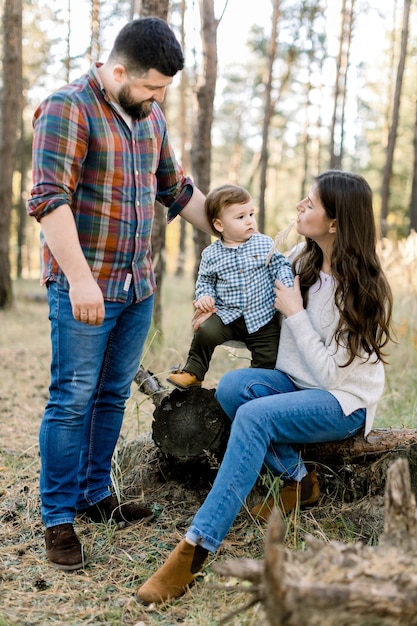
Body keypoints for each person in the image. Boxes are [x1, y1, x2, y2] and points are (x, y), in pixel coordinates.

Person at [136, 169, 394, 604]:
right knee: (235, 387)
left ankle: (196, 547)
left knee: (255, 415)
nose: (299, 207)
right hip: (294, 383)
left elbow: (332, 376)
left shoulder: (362, 290)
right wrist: (216, 327)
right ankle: (297, 480)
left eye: (310, 204)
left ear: (335, 223)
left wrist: (295, 311)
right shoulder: (298, 259)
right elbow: (264, 329)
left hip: (342, 402)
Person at [27, 17, 210, 571]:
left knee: (110, 396)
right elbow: (47, 197)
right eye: (152, 86)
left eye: (164, 91)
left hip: (137, 288)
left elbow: (175, 189)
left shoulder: (148, 114)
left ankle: (92, 494)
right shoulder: (67, 107)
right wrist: (81, 279)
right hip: (85, 286)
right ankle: (58, 518)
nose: (158, 98)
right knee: (72, 399)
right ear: (119, 69)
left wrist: (236, 232)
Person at [167, 184, 294, 390]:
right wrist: (205, 297)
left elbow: (280, 265)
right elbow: (206, 281)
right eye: (240, 217)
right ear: (219, 225)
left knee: (269, 356)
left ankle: (256, 386)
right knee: (206, 331)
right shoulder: (211, 254)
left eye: (251, 214)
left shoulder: (263, 243)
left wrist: (286, 284)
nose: (250, 221)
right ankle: (194, 372)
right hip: (228, 316)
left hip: (261, 317)